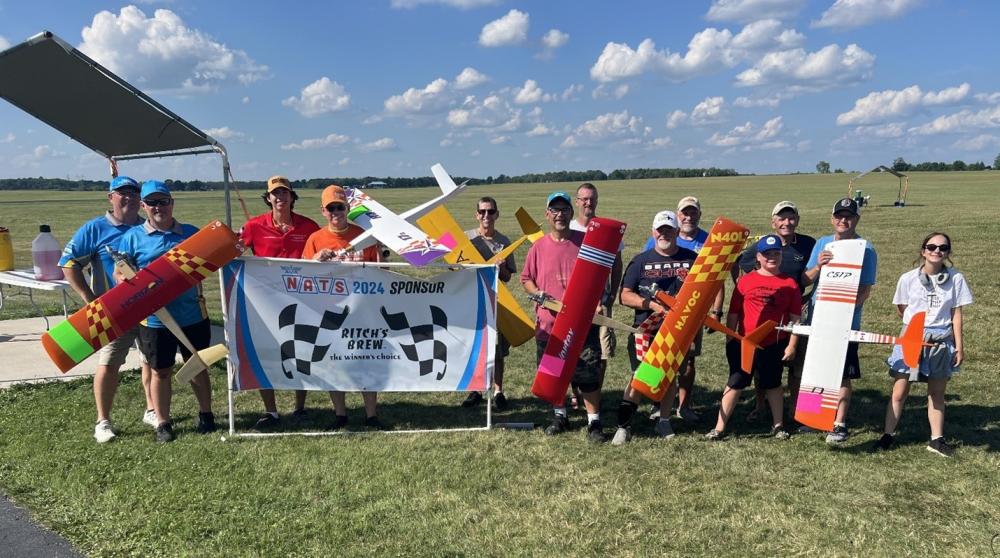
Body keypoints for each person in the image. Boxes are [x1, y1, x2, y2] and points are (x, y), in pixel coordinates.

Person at [116, 181, 216, 443]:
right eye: (152, 203)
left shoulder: (192, 234)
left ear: (172, 204)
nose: (158, 207)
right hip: (155, 319)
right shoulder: (132, 237)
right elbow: (119, 272)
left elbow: (214, 261)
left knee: (197, 366)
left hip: (193, 314)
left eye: (163, 201)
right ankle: (163, 422)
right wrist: (125, 279)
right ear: (144, 206)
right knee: (160, 370)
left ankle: (206, 415)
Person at [59, 175, 155, 443]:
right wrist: (90, 299)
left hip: (149, 309)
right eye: (122, 193)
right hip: (114, 311)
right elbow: (68, 263)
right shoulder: (95, 228)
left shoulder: (146, 226)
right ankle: (103, 421)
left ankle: (151, 409)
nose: (129, 198)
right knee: (110, 363)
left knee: (150, 359)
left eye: (134, 194)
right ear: (110, 197)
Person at [876, 232, 972, 457]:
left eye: (943, 248)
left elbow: (956, 314)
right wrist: (914, 328)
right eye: (932, 247)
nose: (937, 251)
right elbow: (902, 307)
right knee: (900, 390)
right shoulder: (907, 278)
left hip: (941, 340)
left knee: (937, 393)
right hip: (911, 336)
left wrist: (959, 345)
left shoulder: (956, 278)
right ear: (923, 251)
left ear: (948, 253)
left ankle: (936, 440)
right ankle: (887, 434)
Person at [520, 191, 606, 442]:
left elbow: (599, 276)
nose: (560, 214)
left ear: (572, 212)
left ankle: (594, 423)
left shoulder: (585, 242)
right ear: (547, 215)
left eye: (564, 209)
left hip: (581, 324)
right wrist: (537, 294)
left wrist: (599, 301)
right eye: (554, 210)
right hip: (549, 326)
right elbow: (526, 279)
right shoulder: (538, 247)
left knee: (588, 374)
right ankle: (560, 415)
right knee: (553, 373)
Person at [239, 176, 320, 430]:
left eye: (284, 193)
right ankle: (270, 411)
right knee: (267, 352)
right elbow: (237, 250)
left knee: (301, 350)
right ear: (268, 198)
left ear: (292, 197)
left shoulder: (309, 226)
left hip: (301, 299)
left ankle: (300, 406)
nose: (280, 198)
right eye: (275, 193)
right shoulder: (254, 225)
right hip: (264, 301)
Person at [611, 210, 698, 445]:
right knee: (641, 376)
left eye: (669, 230)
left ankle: (664, 420)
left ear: (677, 232)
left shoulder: (692, 259)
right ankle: (624, 426)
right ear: (653, 232)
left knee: (668, 377)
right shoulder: (641, 261)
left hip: (677, 331)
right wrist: (650, 304)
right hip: (645, 330)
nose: (664, 234)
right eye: (660, 230)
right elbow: (625, 295)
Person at [301, 185, 383, 429]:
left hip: (361, 310)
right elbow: (302, 275)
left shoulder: (363, 235)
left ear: (348, 208)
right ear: (323, 211)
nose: (336, 212)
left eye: (340, 207)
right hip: (329, 311)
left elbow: (379, 272)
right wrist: (316, 261)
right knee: (333, 360)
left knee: (366, 359)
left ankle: (371, 415)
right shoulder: (315, 239)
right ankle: (340, 414)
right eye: (331, 208)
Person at [706, 235, 801, 440]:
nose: (772, 257)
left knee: (773, 383)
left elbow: (795, 318)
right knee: (736, 382)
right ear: (758, 257)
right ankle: (719, 428)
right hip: (744, 343)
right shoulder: (745, 281)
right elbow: (733, 313)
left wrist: (792, 345)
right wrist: (731, 338)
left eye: (776, 253)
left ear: (781, 255)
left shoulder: (790, 284)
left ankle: (778, 426)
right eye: (767, 254)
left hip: (774, 344)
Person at [802, 197, 877, 444]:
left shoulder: (866, 248)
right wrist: (818, 266)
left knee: (841, 374)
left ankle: (839, 422)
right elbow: (806, 280)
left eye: (849, 216)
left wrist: (842, 312)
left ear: (857, 219)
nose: (843, 221)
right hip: (817, 318)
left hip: (845, 323)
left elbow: (865, 289)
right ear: (832, 218)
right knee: (815, 368)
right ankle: (812, 417)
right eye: (839, 216)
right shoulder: (823, 243)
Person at [732, 201, 816, 421]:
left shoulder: (808, 244)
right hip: (768, 315)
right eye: (781, 218)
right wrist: (746, 289)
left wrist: (809, 297)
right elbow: (739, 263)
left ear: (797, 220)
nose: (786, 222)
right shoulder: (762, 244)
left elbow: (816, 274)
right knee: (762, 364)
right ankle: (761, 406)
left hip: (795, 312)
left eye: (791, 218)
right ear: (774, 222)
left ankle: (796, 410)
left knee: (796, 363)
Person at [645, 196, 722, 422]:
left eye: (693, 212)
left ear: (700, 214)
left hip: (692, 312)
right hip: (660, 312)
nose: (689, 217)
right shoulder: (659, 238)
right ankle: (655, 402)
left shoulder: (709, 240)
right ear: (678, 216)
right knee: (656, 356)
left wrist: (716, 311)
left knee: (688, 360)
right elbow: (646, 264)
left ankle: (684, 404)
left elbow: (717, 279)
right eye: (684, 213)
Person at [569, 183, 623, 408]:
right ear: (577, 201)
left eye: (592, 198)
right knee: (573, 349)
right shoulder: (568, 228)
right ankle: (576, 395)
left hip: (601, 301)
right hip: (575, 302)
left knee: (602, 350)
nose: (588, 203)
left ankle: (595, 395)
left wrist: (611, 295)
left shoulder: (607, 229)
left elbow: (617, 263)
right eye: (584, 199)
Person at [460, 196, 517, 410]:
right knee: (474, 347)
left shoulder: (504, 242)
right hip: (472, 301)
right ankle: (474, 391)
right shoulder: (466, 238)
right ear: (476, 215)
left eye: (490, 211)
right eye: (482, 212)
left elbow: (507, 277)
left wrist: (500, 267)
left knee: (498, 348)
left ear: (497, 214)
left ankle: (498, 390)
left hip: (496, 301)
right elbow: (455, 268)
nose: (486, 216)